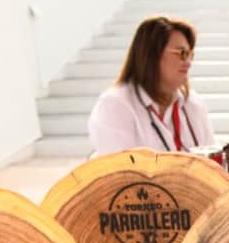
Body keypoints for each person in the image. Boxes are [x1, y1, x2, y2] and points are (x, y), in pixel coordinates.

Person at [87, 16, 215, 157]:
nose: (188, 62)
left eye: (190, 55)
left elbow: (211, 162)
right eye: (181, 53)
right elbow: (123, 173)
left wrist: (225, 159)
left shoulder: (193, 103)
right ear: (152, 54)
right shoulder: (116, 104)